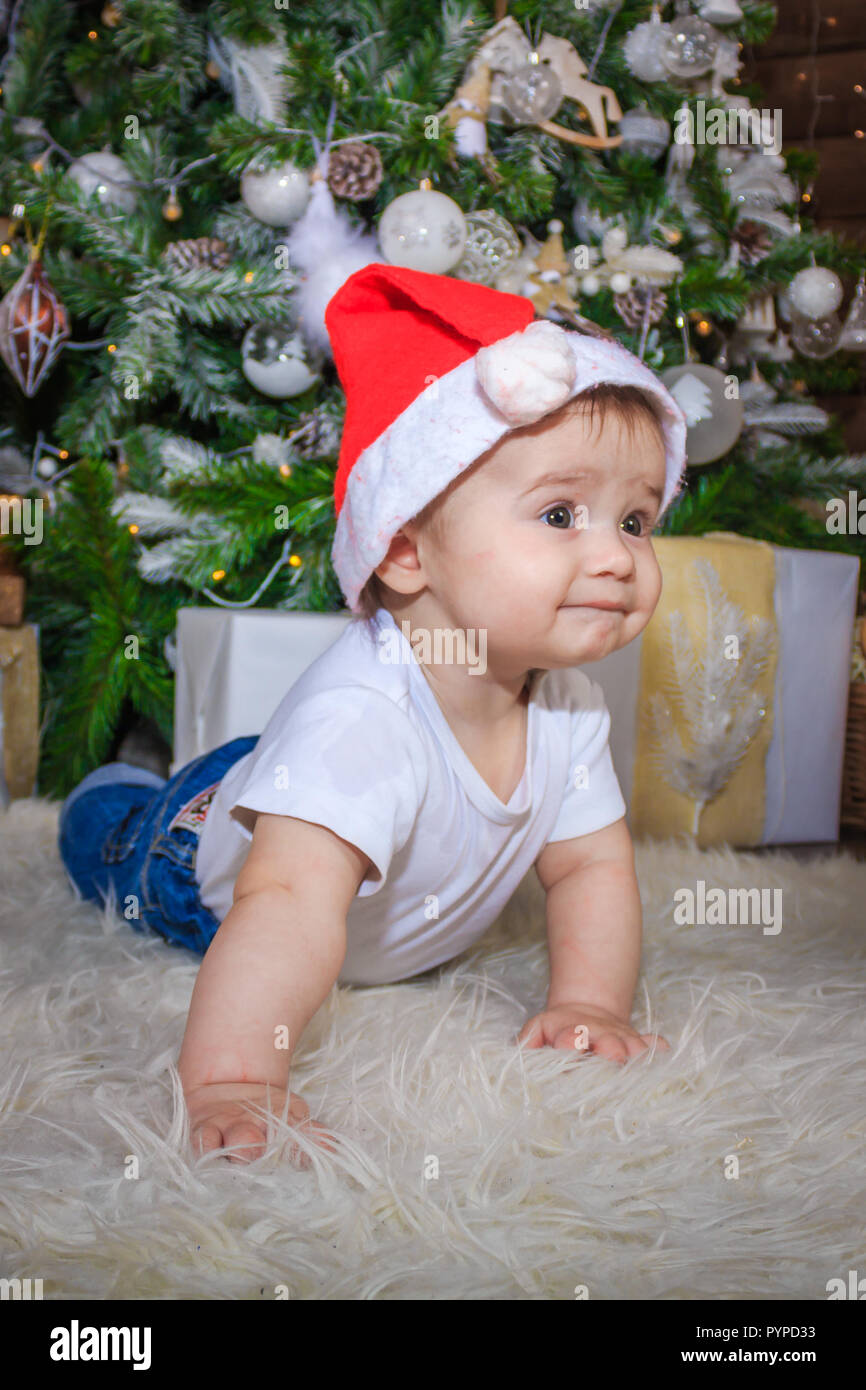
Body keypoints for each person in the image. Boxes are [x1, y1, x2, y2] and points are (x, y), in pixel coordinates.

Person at [58, 261, 687, 1167]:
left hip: (307, 782)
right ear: (403, 548)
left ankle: (234, 769)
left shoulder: (568, 706)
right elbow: (282, 903)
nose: (621, 557)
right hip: (194, 849)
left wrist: (590, 1003)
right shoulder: (363, 721)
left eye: (634, 521)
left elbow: (590, 869)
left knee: (295, 779)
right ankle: (115, 781)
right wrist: (237, 1078)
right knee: (112, 837)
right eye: (560, 513)